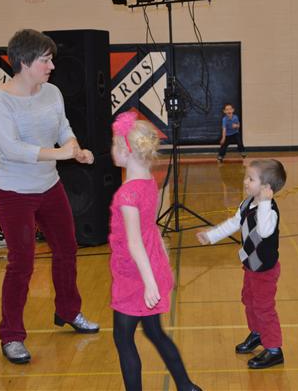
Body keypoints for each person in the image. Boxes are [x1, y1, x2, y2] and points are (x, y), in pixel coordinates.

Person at [0, 29, 98, 364]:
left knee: (67, 249)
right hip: (12, 191)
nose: (51, 66)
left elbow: (63, 126)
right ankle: (11, 336)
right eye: (45, 60)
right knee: (21, 263)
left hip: (49, 186)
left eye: (51, 59)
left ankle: (68, 311)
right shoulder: (0, 99)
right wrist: (59, 154)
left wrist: (74, 149)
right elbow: (11, 149)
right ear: (24, 63)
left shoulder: (52, 91)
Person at [109, 111, 201, 391]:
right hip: (151, 264)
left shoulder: (127, 194)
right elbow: (151, 229)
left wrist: (149, 282)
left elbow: (135, 241)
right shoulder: (149, 181)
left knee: (123, 340)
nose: (112, 150)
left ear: (125, 151)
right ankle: (185, 385)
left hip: (135, 274)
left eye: (114, 144)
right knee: (154, 332)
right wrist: (161, 264)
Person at [197, 159, 287, 369]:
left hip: (264, 270)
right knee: (248, 300)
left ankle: (274, 349)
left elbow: (264, 231)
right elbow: (234, 223)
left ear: (266, 188)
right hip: (250, 265)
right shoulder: (247, 203)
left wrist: (265, 201)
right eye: (247, 177)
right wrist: (211, 236)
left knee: (264, 307)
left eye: (251, 179)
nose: (245, 182)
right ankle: (257, 333)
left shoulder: (269, 211)